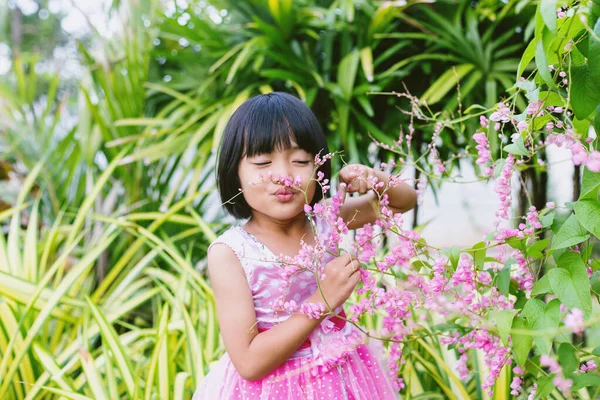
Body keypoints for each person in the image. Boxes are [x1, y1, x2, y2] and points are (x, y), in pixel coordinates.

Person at [193, 92, 417, 399]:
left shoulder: (326, 218)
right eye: (262, 162)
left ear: (319, 166)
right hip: (270, 389)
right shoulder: (231, 253)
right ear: (235, 173)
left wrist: (374, 178)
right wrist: (323, 300)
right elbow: (248, 362)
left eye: (300, 161)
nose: (284, 176)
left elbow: (403, 202)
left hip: (343, 376)